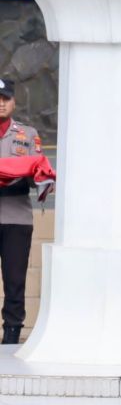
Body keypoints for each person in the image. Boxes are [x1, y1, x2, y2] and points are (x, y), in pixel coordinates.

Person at [0, 79, 43, 344]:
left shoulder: (27, 135)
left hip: (16, 217)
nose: (1, 103)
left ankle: (12, 333)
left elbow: (39, 175)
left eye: (5, 98)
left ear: (13, 102)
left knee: (15, 280)